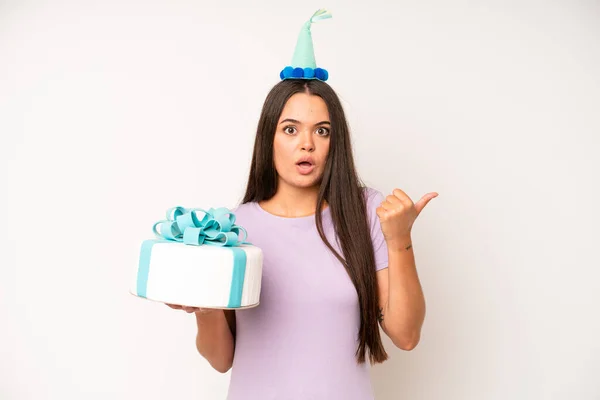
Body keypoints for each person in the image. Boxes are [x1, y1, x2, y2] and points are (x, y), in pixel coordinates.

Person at [166, 9, 437, 399]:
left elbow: (406, 335)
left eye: (321, 131)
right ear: (269, 137)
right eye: (290, 129)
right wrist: (204, 308)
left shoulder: (366, 212)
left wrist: (400, 240)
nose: (306, 144)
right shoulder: (233, 228)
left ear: (334, 142)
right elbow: (222, 359)